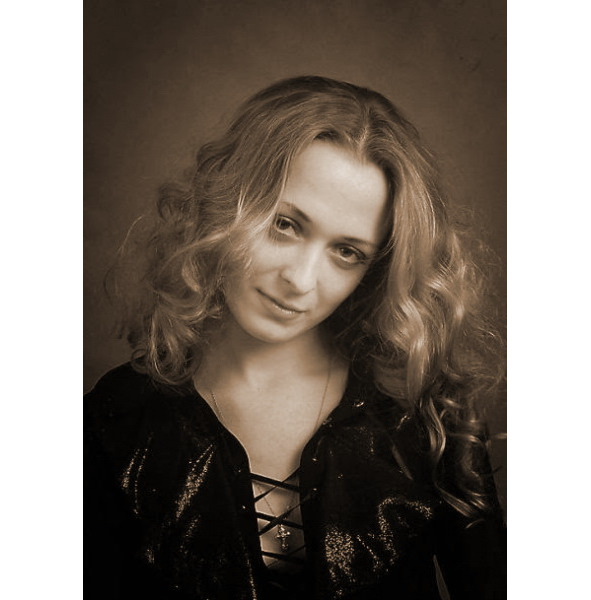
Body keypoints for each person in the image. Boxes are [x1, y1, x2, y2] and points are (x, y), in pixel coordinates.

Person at [84, 75, 506, 599]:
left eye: (347, 252)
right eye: (285, 224)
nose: (301, 280)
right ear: (227, 203)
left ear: (374, 271)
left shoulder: (424, 412)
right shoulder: (117, 419)